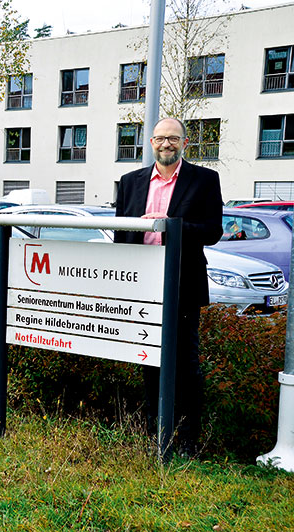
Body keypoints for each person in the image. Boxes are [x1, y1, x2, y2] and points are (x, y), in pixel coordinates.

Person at [114, 117, 223, 456]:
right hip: (141, 284)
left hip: (183, 285)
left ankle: (188, 440)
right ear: (150, 143)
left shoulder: (204, 179)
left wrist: (169, 228)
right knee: (148, 359)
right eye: (160, 138)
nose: (166, 145)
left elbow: (213, 231)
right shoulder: (130, 182)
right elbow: (121, 234)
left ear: (184, 143)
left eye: (173, 139)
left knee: (186, 365)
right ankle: (155, 433)